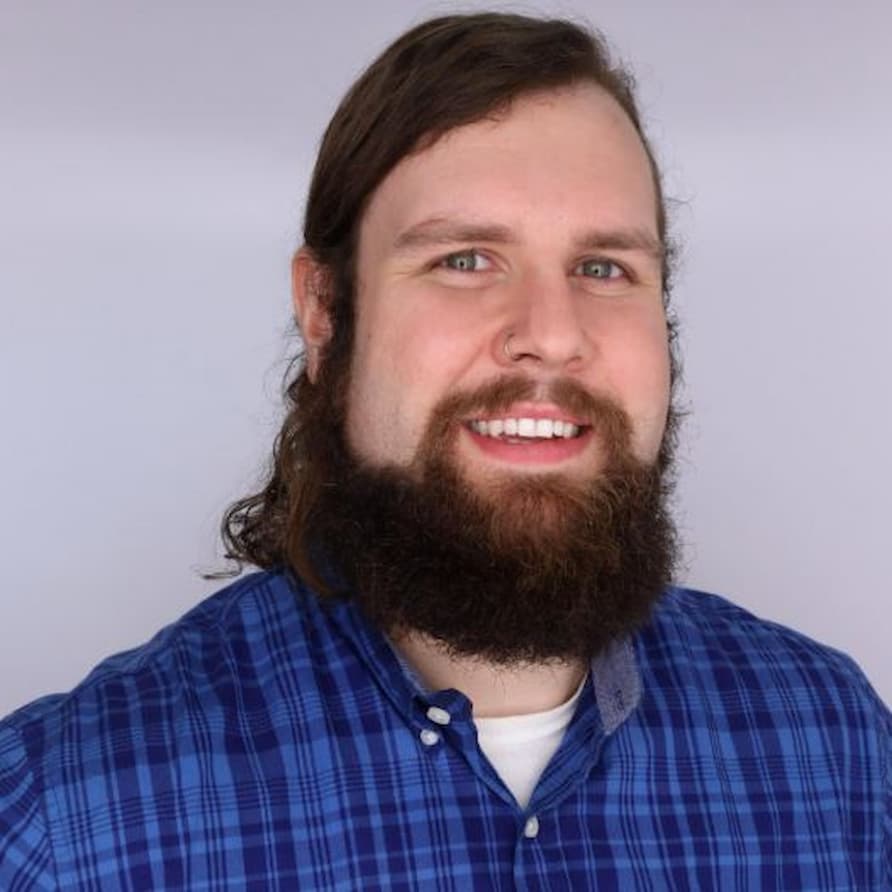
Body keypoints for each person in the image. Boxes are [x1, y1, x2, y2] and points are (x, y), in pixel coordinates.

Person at [1, 11, 889, 889]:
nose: (551, 335)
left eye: (604, 267)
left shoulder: (839, 747)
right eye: (466, 260)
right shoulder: (66, 821)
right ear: (324, 312)